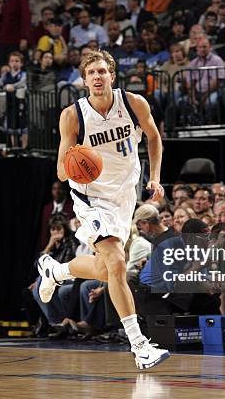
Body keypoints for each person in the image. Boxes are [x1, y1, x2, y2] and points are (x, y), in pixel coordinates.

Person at [37, 50, 170, 369]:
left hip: (125, 194)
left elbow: (153, 137)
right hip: (90, 196)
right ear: (83, 81)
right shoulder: (73, 115)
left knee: (109, 269)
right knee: (117, 262)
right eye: (90, 73)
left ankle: (57, 270)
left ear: (112, 75)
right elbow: (59, 170)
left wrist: (155, 177)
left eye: (102, 71)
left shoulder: (134, 103)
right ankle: (140, 346)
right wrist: (77, 164)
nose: (97, 77)